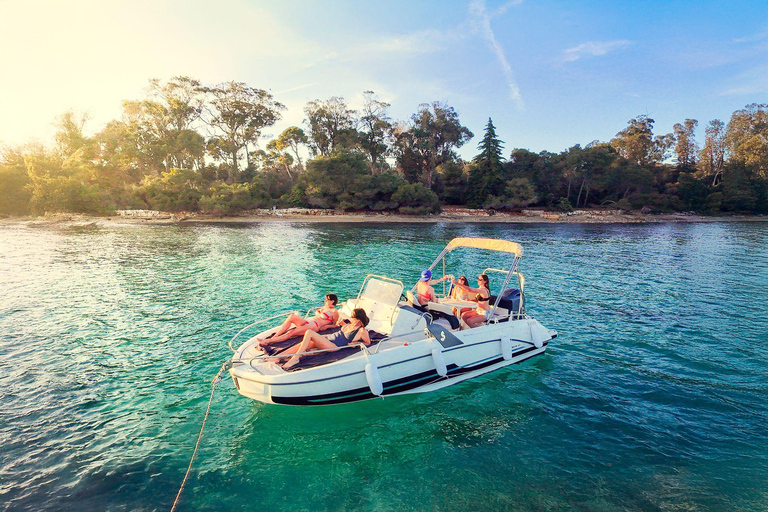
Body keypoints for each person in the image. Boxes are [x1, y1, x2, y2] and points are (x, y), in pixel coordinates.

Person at [280, 308, 371, 370]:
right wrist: (341, 324)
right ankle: (278, 357)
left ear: (359, 319)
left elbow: (367, 342)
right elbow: (343, 330)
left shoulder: (362, 331)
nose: (351, 318)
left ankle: (295, 358)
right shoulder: (351, 324)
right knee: (303, 344)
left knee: (309, 332)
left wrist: (355, 343)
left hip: (334, 345)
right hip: (328, 338)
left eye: (353, 317)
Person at [258, 294, 339, 345]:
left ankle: (268, 341)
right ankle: (275, 336)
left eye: (327, 300)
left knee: (291, 332)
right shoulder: (324, 307)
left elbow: (335, 324)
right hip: (309, 321)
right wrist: (318, 313)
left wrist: (326, 327)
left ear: (333, 301)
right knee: (291, 317)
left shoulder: (334, 312)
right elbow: (318, 313)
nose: (325, 301)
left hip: (314, 325)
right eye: (325, 299)